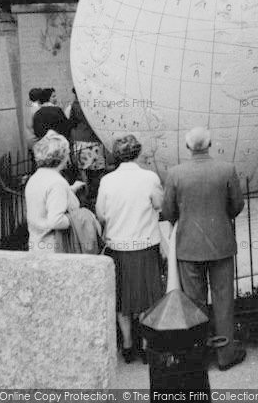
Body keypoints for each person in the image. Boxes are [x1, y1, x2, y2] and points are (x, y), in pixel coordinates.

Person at [162, 126, 246, 371]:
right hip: (220, 243)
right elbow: (237, 205)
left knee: (194, 302)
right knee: (223, 300)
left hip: (188, 246)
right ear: (210, 144)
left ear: (188, 147)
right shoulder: (226, 169)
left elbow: (168, 212)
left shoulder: (175, 173)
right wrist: (221, 217)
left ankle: (198, 353)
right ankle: (225, 354)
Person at [95, 135, 164, 364]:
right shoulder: (149, 177)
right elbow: (158, 204)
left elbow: (101, 214)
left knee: (122, 298)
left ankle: (126, 344)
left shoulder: (107, 181)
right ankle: (145, 344)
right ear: (138, 152)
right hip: (144, 244)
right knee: (147, 297)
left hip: (118, 244)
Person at [25, 130, 85, 253]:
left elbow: (45, 199)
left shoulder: (35, 178)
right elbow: (56, 221)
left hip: (37, 243)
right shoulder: (57, 183)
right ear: (62, 156)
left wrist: (71, 189)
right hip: (55, 247)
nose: (69, 156)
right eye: (67, 152)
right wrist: (80, 218)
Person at [68, 87, 106, 209]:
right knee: (97, 172)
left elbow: (72, 122)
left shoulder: (75, 105)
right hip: (93, 140)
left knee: (84, 171)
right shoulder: (94, 104)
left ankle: (86, 197)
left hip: (80, 140)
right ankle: (97, 198)